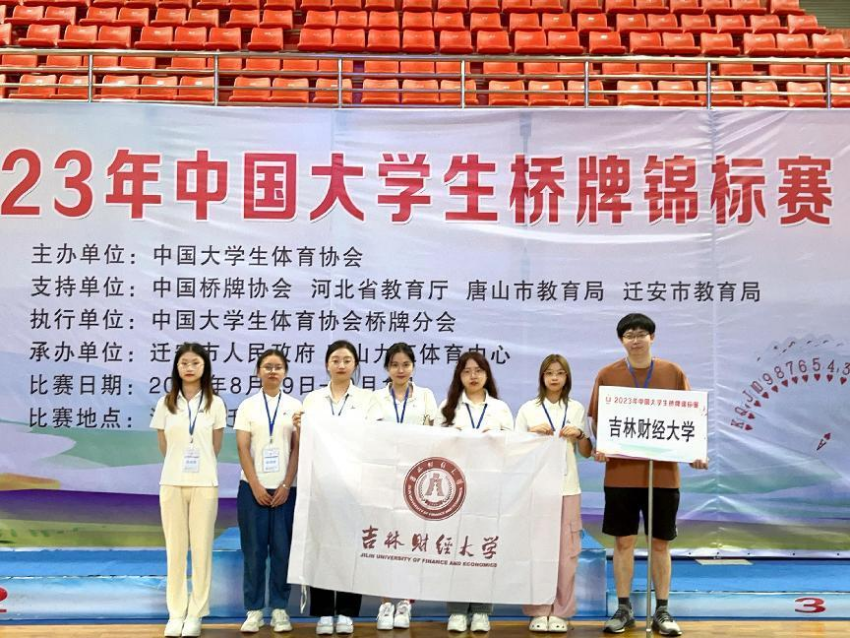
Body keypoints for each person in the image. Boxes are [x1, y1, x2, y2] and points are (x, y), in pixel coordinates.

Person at [588, 314, 709, 637]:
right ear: (621, 340)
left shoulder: (672, 372)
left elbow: (690, 419)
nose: (636, 339)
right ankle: (624, 608)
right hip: (621, 475)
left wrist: (696, 453)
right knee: (623, 542)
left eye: (642, 333)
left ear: (652, 337)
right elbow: (597, 421)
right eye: (629, 335)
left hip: (663, 476)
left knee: (660, 543)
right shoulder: (608, 374)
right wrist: (603, 446)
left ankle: (662, 610)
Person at [299, 340, 382, 635]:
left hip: (354, 484)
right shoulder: (312, 400)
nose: (341, 365)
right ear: (327, 364)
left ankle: (346, 611)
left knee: (350, 547)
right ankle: (323, 612)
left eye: (347, 360)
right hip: (320, 484)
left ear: (355, 365)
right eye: (335, 360)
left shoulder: (368, 399)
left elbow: (375, 437)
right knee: (321, 546)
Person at [150, 343, 226, 638]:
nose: (190, 368)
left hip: (204, 483)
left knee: (202, 549)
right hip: (171, 482)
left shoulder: (215, 404)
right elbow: (164, 445)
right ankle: (176, 612)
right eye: (184, 363)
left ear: (204, 367)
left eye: (195, 363)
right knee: (175, 550)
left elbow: (215, 446)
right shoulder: (166, 403)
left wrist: (198, 464)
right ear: (177, 367)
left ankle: (196, 613)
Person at [516, 354, 592, 633]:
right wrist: (530, 434)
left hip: (568, 488)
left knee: (567, 553)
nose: (554, 378)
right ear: (542, 377)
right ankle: (538, 610)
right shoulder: (528, 409)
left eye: (560, 373)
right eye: (549, 373)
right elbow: (514, 451)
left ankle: (561, 611)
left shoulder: (576, 408)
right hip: (537, 490)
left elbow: (587, 452)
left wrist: (580, 435)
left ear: (567, 377)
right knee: (536, 550)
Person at [439, 351, 513, 633]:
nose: (473, 376)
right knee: (456, 549)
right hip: (454, 490)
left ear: (487, 375)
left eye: (479, 371)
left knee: (484, 548)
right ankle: (457, 610)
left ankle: (482, 610)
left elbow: (514, 446)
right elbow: (435, 446)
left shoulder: (500, 408)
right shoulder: (448, 407)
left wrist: (496, 438)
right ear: (459, 376)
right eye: (467, 371)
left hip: (490, 488)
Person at [372, 342, 440, 630]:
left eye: (406, 364)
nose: (400, 370)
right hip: (384, 477)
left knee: (414, 539)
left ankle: (406, 603)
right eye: (394, 365)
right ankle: (385, 604)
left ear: (413, 367)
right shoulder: (376, 398)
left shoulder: (426, 396)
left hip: (417, 479)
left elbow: (436, 435)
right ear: (387, 368)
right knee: (385, 540)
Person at [235, 349, 302, 634]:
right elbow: (242, 447)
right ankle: (253, 611)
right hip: (253, 490)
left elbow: (298, 447)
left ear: (285, 372)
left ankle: (279, 609)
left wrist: (286, 484)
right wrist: (255, 485)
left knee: (282, 551)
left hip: (286, 490)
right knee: (253, 551)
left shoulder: (295, 406)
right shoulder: (247, 406)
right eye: (267, 367)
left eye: (278, 367)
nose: (272, 372)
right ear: (258, 371)